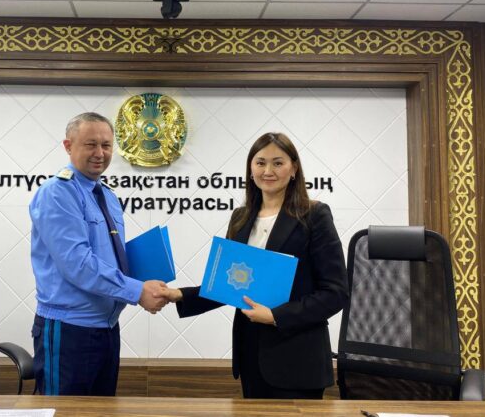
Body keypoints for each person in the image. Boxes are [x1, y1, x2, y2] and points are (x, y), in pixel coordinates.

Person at [165, 132, 349, 399]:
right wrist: (179, 294)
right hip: (251, 357)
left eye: (278, 163)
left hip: (298, 361)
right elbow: (230, 286)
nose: (268, 171)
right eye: (260, 163)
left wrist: (276, 316)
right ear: (250, 169)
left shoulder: (315, 215)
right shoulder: (240, 218)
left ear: (294, 169)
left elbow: (335, 292)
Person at [29, 112, 168, 396]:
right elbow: (78, 264)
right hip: (68, 331)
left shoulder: (107, 195)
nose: (100, 153)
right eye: (90, 144)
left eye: (106, 145)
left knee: (101, 411)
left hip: (107, 329)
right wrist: (137, 290)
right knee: (64, 413)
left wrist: (146, 281)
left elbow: (109, 257)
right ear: (68, 146)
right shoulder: (57, 193)